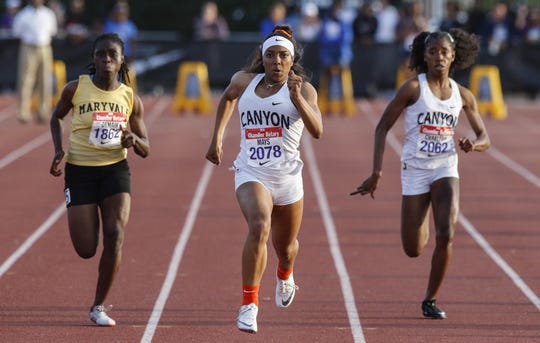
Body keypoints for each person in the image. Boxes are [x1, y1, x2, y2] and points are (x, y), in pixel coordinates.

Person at [351, 28, 490, 319]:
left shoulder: (462, 95)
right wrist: (376, 172)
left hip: (445, 167)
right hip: (414, 169)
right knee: (413, 249)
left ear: (454, 57)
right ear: (423, 56)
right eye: (432, 52)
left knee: (447, 234)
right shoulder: (414, 88)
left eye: (444, 52)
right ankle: (425, 213)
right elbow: (381, 127)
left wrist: (473, 146)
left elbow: (484, 136)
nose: (438, 56)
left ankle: (430, 299)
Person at [205, 25, 323, 334]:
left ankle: (285, 273)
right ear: (262, 57)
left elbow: (317, 130)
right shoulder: (244, 81)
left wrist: (298, 99)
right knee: (259, 225)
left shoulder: (304, 89)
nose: (276, 62)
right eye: (270, 55)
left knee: (285, 248)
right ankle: (249, 305)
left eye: (283, 56)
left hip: (287, 178)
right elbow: (227, 99)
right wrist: (217, 137)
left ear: (292, 58)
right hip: (251, 171)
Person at [49, 32, 150, 326]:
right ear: (93, 59)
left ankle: (99, 306)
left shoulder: (130, 98)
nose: (106, 59)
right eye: (100, 54)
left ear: (121, 61)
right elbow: (56, 117)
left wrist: (133, 139)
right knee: (86, 249)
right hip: (80, 171)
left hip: (115, 170)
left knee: (116, 235)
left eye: (112, 55)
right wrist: (58, 150)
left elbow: (146, 147)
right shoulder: (75, 89)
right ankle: (98, 297)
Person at [12, 0, 57, 124]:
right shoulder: (23, 14)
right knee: (26, 79)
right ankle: (23, 111)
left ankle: (43, 111)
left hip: (45, 47)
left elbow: (52, 31)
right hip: (28, 47)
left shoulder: (48, 14)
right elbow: (17, 32)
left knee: (44, 80)